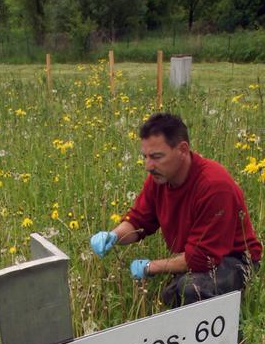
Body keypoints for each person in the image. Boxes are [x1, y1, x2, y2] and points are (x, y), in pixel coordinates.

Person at [90, 113, 262, 308]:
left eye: (156, 157)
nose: (148, 166)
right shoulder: (160, 179)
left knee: (189, 290)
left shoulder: (214, 186)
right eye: (145, 157)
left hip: (234, 259)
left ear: (182, 149)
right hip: (199, 255)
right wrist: (113, 236)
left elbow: (201, 258)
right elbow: (139, 221)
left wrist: (150, 267)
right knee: (171, 295)